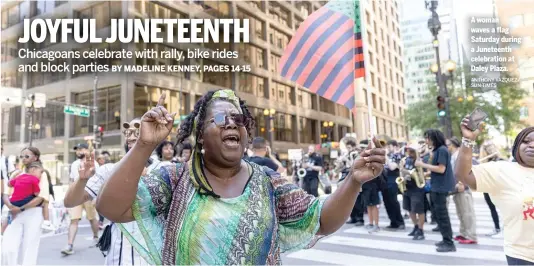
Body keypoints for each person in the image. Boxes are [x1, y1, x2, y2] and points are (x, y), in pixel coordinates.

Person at [95, 90, 386, 265]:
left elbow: (321, 220)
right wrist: (144, 145)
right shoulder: (175, 179)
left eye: (239, 120)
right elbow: (111, 209)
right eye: (220, 119)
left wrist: (352, 182)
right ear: (200, 138)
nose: (232, 124)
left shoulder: (269, 181)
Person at [63, 118, 150, 265]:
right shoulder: (108, 170)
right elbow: (70, 202)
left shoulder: (164, 170)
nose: (133, 137)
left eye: (138, 132)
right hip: (120, 254)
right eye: (129, 134)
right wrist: (82, 180)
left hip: (156, 256)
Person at [455, 116, 534, 264]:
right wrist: (468, 140)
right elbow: (463, 175)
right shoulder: (502, 170)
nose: (532, 145)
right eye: (526, 141)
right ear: (517, 146)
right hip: (523, 256)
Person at [415, 129, 456, 252]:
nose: (426, 141)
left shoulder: (442, 150)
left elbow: (441, 169)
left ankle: (449, 243)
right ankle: (445, 239)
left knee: (442, 216)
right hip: (436, 186)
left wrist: (422, 165)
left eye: (428, 138)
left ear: (434, 138)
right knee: (438, 214)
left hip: (440, 187)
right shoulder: (438, 150)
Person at [1, 162, 46, 265]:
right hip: (26, 205)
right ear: (33, 170)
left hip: (12, 203)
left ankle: (4, 228)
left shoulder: (19, 177)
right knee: (26, 247)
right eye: (40, 172)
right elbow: (37, 194)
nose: (40, 175)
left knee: (11, 245)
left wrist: (14, 177)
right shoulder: (35, 179)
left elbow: (9, 185)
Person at [2, 147, 54, 232]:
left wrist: (20, 208)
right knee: (9, 242)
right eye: (21, 157)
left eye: (27, 156)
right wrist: (11, 207)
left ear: (35, 157)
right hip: (14, 210)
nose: (23, 159)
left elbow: (41, 197)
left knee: (29, 244)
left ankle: (46, 221)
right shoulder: (16, 174)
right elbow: (6, 193)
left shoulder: (41, 173)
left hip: (32, 212)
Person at [62, 143, 100, 255]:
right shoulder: (74, 164)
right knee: (74, 219)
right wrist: (68, 195)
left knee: (92, 218)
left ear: (87, 150)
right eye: (77, 149)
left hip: (89, 194)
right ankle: (69, 245)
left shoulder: (95, 163)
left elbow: (98, 181)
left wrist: (96, 197)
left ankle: (96, 237)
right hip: (76, 195)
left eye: (81, 149)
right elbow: (72, 181)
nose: (78, 151)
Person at [447, 137, 478, 244]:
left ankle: (471, 235)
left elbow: (468, 170)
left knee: (467, 212)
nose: (447, 147)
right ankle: (464, 233)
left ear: (453, 144)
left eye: (448, 144)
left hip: (463, 188)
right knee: (461, 212)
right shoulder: (454, 156)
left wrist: (462, 184)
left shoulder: (461, 155)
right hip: (456, 188)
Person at [400, 144, 426, 240]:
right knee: (410, 209)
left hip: (417, 187)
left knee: (419, 210)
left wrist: (414, 173)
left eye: (412, 151)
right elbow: (402, 171)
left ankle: (421, 230)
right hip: (407, 187)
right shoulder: (405, 160)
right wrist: (403, 175)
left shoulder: (420, 161)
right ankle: (415, 226)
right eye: (408, 151)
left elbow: (425, 172)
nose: (410, 153)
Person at [479, 140, 503, 237]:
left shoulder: (500, 160)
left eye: (491, 146)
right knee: (492, 209)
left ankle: (504, 229)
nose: (490, 149)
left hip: (498, 189)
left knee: (505, 209)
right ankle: (497, 228)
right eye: (487, 147)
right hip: (487, 189)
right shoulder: (484, 161)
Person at [382, 140, 406, 230]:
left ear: (395, 147)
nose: (387, 148)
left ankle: (400, 222)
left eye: (389, 146)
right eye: (387, 147)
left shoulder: (397, 155)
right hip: (384, 180)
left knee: (393, 201)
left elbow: (392, 167)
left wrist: (385, 156)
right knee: (386, 202)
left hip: (393, 179)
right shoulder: (388, 156)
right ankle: (393, 221)